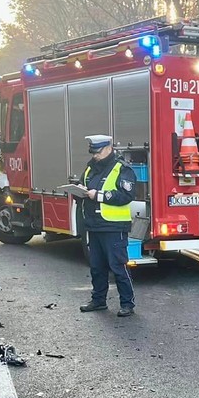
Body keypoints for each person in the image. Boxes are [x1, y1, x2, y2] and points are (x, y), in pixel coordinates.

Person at [77, 135, 138, 317]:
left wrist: (99, 195)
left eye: (98, 152)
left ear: (108, 148)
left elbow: (126, 195)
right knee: (97, 267)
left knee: (118, 266)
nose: (95, 155)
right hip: (94, 225)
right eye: (93, 152)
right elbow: (85, 185)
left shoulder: (123, 169)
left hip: (114, 227)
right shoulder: (91, 167)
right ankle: (98, 300)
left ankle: (127, 303)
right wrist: (78, 191)